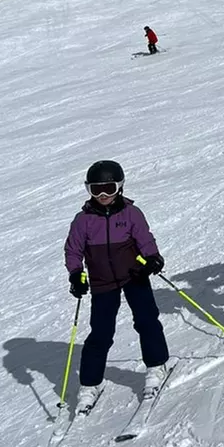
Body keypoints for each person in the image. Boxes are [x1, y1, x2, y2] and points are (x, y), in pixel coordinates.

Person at [64, 160, 169, 409]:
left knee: (146, 320)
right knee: (100, 332)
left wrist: (153, 258)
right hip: (102, 281)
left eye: (108, 188)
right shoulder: (83, 220)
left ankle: (156, 365)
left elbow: (145, 239)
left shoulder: (131, 213)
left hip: (134, 275)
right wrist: (76, 274)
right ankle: (90, 383)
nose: (103, 195)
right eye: (96, 189)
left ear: (119, 187)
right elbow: (73, 250)